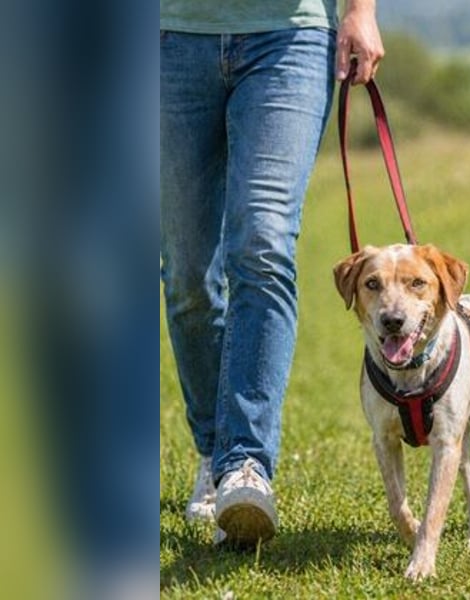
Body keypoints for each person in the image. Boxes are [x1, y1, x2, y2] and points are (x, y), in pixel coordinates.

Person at [160, 0, 384, 545]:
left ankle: (246, 466)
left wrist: (360, 10)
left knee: (262, 242)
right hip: (170, 37)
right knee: (189, 275)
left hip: (289, 37)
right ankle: (215, 452)